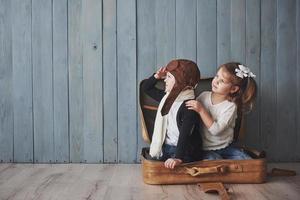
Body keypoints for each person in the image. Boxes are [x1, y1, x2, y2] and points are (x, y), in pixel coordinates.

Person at [186, 62, 257, 160]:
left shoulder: (230, 106)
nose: (216, 81)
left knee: (246, 160)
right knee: (214, 160)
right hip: (204, 148)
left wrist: (201, 110)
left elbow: (216, 130)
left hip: (225, 147)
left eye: (222, 81)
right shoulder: (203, 96)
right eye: (216, 76)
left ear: (233, 89)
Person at [141, 59, 203, 169]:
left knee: (170, 165)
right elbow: (146, 88)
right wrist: (156, 76)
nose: (165, 80)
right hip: (166, 147)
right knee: (151, 160)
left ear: (181, 82)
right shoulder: (167, 98)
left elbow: (185, 135)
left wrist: (178, 157)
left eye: (169, 77)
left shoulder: (189, 106)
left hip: (184, 150)